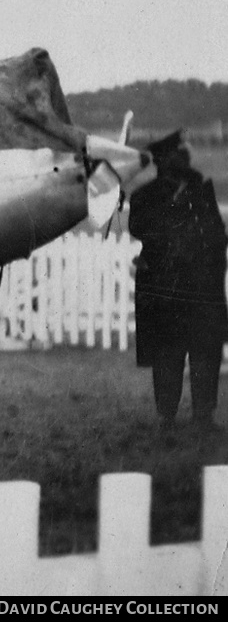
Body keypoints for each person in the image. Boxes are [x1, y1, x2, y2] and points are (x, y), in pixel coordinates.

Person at [128, 131, 228, 432]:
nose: (185, 155)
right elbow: (142, 230)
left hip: (202, 288)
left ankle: (204, 416)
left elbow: (215, 232)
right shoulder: (144, 196)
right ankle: (166, 417)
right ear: (161, 161)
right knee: (167, 354)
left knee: (205, 352)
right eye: (177, 152)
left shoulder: (201, 188)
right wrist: (174, 204)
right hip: (166, 290)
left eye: (184, 151)